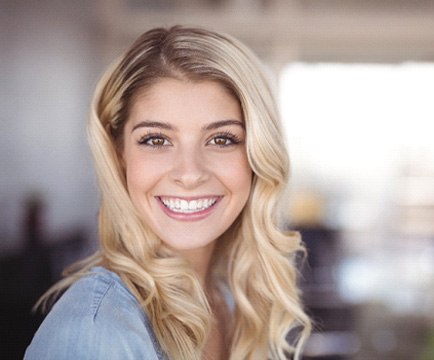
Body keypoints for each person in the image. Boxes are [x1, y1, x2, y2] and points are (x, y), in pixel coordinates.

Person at [24, 25, 311, 360]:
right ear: (120, 154)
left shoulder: (228, 299)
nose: (189, 174)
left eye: (222, 139)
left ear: (257, 155)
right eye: (156, 140)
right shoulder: (97, 331)